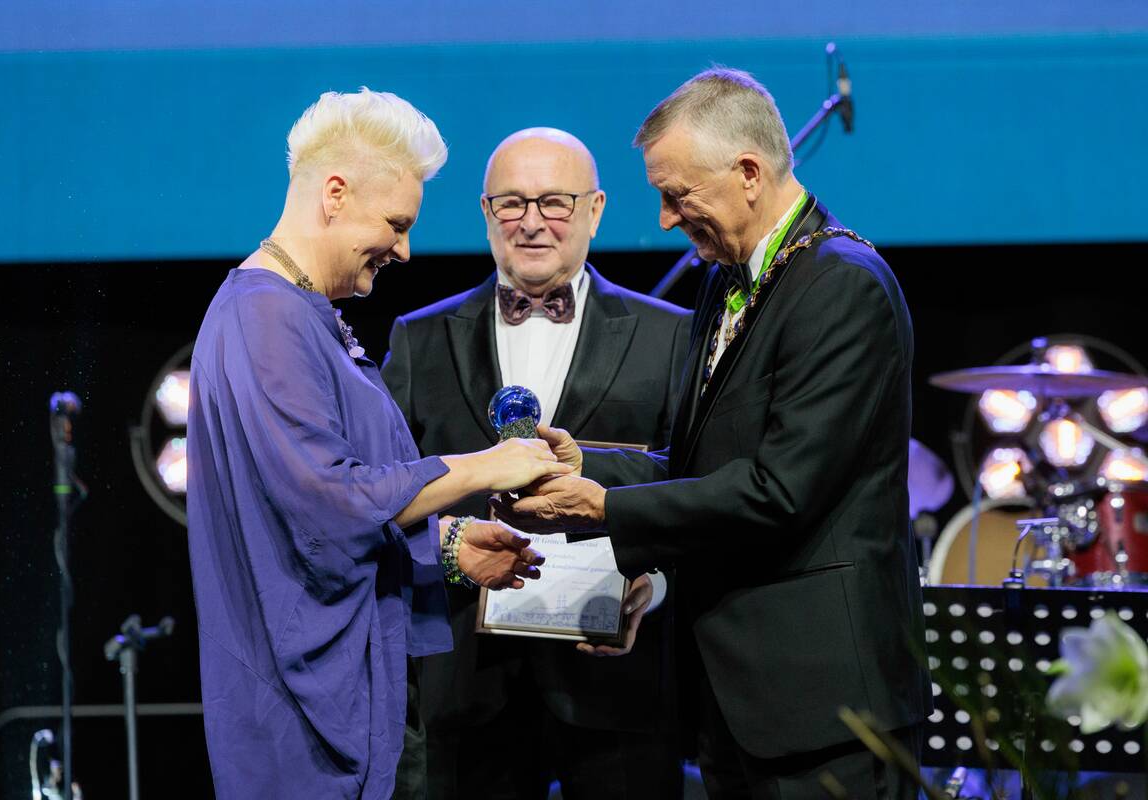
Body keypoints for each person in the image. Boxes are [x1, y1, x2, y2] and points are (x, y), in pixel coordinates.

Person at [494, 69, 929, 799]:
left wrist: (603, 509)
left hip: (828, 710)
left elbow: (779, 491)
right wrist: (588, 468)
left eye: (677, 194)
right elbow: (703, 464)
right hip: (741, 701)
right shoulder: (727, 279)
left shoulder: (842, 285)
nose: (666, 219)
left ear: (749, 173)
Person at [185, 89, 571, 800]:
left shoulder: (303, 311)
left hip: (348, 701)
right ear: (335, 194)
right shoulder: (263, 316)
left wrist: (448, 544)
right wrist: (485, 466)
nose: (404, 249)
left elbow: (317, 505)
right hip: (300, 724)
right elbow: (328, 503)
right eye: (396, 224)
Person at [382, 128, 691, 799]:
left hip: (615, 680)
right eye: (511, 203)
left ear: (595, 210)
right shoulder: (418, 338)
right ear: (486, 212)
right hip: (467, 682)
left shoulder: (671, 334)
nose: (531, 222)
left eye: (554, 202)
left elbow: (693, 485)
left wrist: (658, 584)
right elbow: (384, 496)